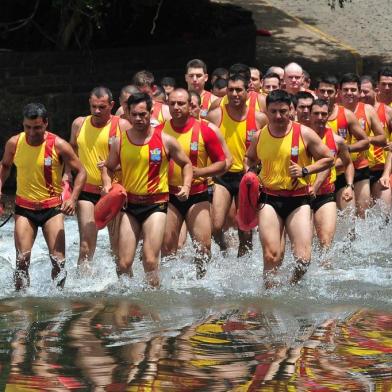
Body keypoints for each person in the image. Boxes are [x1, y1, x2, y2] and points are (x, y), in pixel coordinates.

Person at [102, 92, 193, 287]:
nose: (138, 119)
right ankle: (128, 302)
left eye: (142, 114)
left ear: (151, 113)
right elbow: (108, 167)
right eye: (134, 114)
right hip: (130, 206)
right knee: (124, 263)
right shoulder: (120, 141)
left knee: (150, 261)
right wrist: (107, 185)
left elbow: (186, 164)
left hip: (156, 205)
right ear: (127, 113)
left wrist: (186, 185)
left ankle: (153, 303)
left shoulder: (166, 140)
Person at [245, 90, 333, 288]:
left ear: (291, 110)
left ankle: (291, 285)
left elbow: (328, 158)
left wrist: (305, 170)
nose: (278, 116)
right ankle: (269, 295)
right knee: (271, 256)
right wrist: (249, 175)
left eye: (283, 111)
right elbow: (249, 158)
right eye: (273, 111)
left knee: (303, 259)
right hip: (268, 198)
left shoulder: (304, 133)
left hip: (298, 200)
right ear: (266, 111)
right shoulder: (260, 136)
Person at [0, 103, 86, 290]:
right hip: (24, 209)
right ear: (23, 124)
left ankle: (59, 299)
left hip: (52, 209)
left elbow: (81, 172)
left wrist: (72, 199)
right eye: (27, 127)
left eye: (37, 127)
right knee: (22, 260)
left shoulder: (59, 144)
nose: (32, 132)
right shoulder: (14, 143)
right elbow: (5, 166)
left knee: (59, 261)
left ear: (46, 123)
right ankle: (21, 302)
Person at [160, 89, 226, 277]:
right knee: (167, 248)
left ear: (190, 105)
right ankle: (169, 287)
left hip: (197, 194)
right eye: (172, 103)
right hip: (169, 196)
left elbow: (222, 163)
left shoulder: (205, 130)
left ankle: (202, 282)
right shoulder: (159, 131)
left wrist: (200, 172)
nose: (176, 107)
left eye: (181, 103)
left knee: (203, 248)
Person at [207, 74, 268, 257]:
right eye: (231, 90)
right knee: (215, 226)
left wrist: (258, 171)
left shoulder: (259, 118)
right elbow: (205, 145)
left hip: (247, 177)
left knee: (246, 230)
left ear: (247, 93)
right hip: (222, 177)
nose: (234, 94)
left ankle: (243, 266)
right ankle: (224, 250)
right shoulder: (216, 114)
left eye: (238, 90)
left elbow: (267, 148)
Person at [69, 86, 129, 270]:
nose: (96, 111)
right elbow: (71, 152)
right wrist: (65, 178)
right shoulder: (79, 124)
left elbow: (133, 158)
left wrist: (111, 166)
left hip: (113, 192)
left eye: (102, 107)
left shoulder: (122, 125)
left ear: (111, 105)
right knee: (86, 247)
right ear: (89, 103)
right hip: (87, 192)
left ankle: (122, 288)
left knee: (117, 248)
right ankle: (82, 291)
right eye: (94, 106)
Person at [315, 74, 369, 212]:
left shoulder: (346, 114)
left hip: (342, 174)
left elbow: (365, 142)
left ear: (336, 93)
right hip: (316, 177)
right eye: (322, 91)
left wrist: (345, 150)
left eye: (330, 91)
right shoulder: (307, 114)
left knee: (350, 220)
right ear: (316, 92)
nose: (326, 95)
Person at [339, 73, 386, 217]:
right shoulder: (334, 111)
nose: (349, 93)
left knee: (363, 214)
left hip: (361, 167)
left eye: (353, 89)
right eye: (345, 89)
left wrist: (364, 141)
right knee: (347, 216)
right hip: (340, 169)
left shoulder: (367, 110)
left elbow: (383, 138)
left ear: (359, 92)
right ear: (339, 92)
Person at [309, 99, 354, 249]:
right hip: (301, 196)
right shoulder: (301, 136)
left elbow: (348, 164)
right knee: (307, 245)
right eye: (316, 113)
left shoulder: (337, 141)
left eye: (323, 114)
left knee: (326, 243)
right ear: (309, 115)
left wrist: (349, 185)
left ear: (328, 115)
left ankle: (326, 272)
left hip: (326, 195)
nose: (320, 117)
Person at [360, 75, 392, 209]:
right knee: (361, 213)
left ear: (376, 90)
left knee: (383, 212)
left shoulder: (388, 112)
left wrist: (385, 174)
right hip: (360, 171)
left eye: (366, 91)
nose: (362, 95)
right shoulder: (352, 112)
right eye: (360, 91)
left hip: (381, 170)